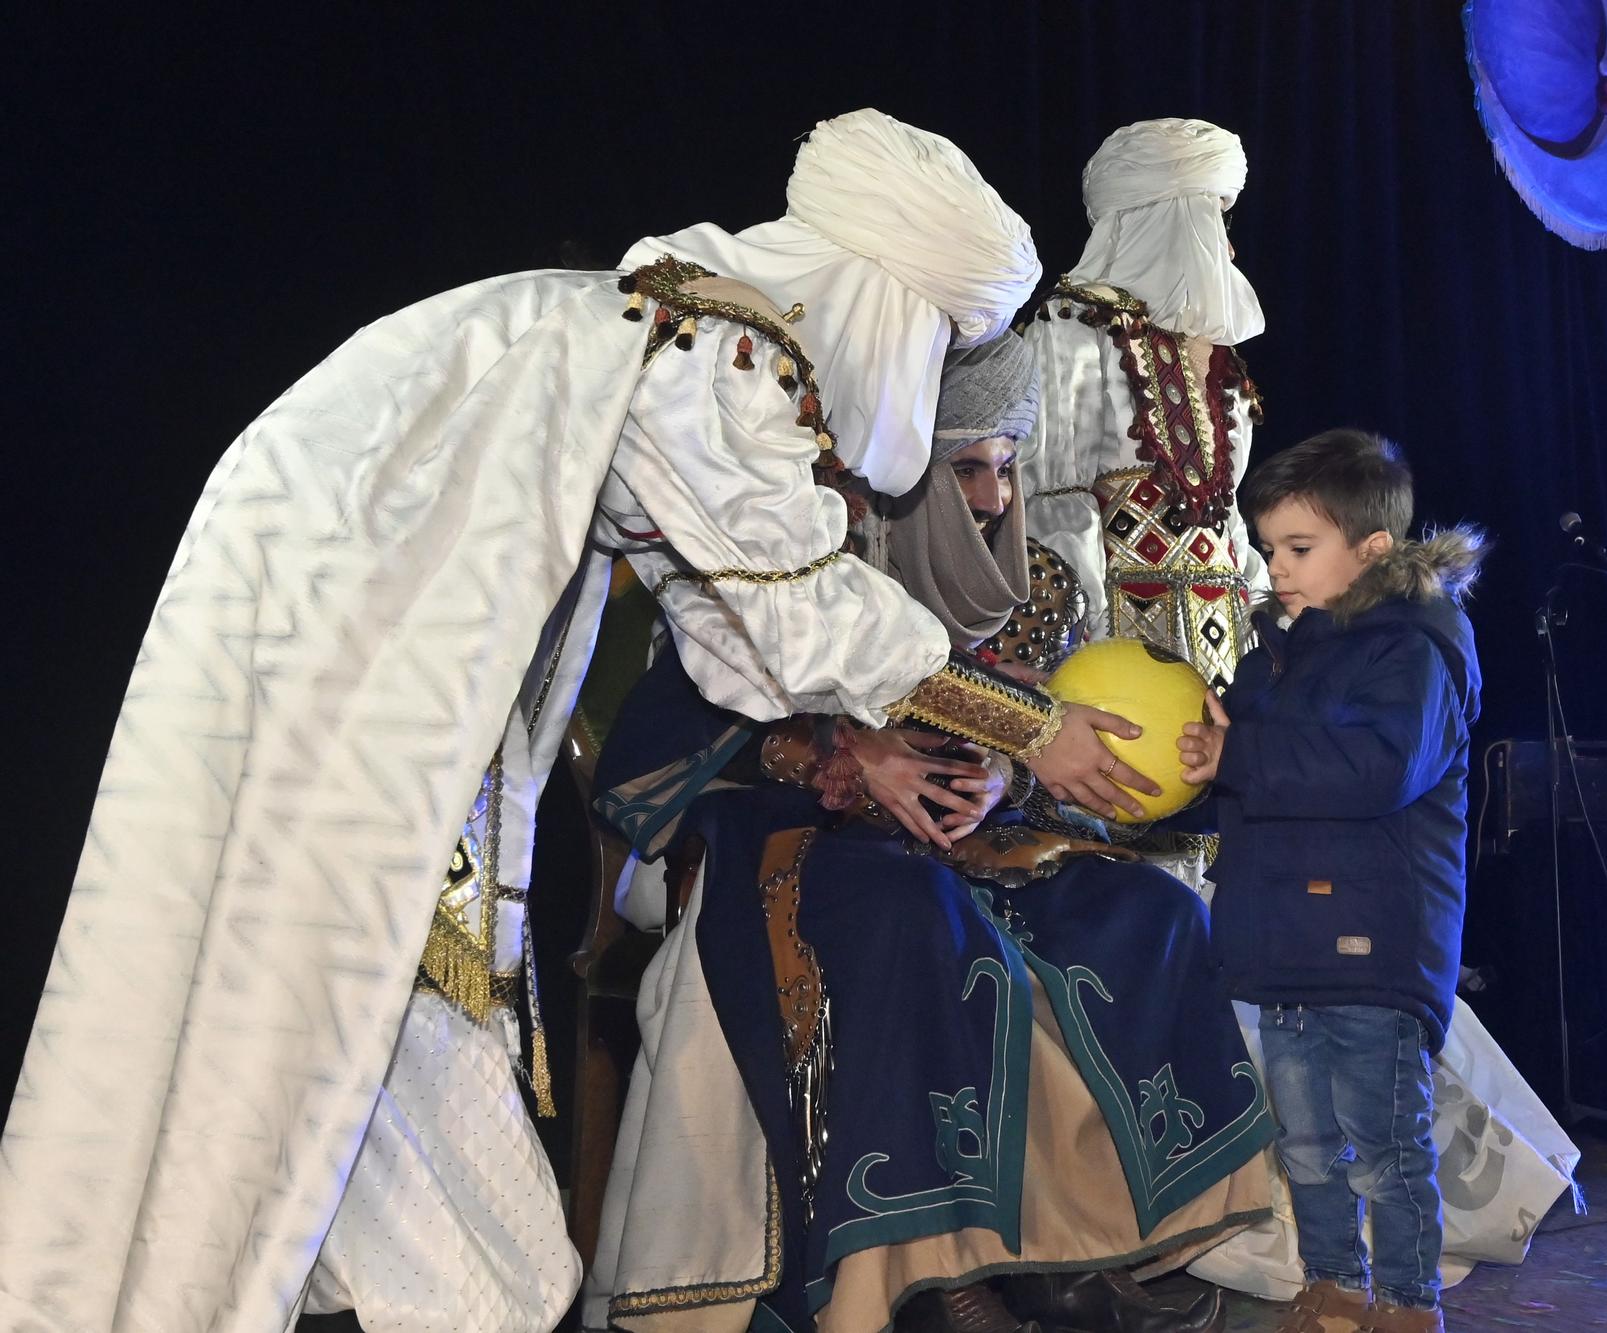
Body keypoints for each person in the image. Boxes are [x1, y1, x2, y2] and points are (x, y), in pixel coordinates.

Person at [0, 109, 1159, 1333]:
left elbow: (732, 631)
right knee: (317, 1004)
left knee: (357, 1045)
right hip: (346, 670)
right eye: (934, 337)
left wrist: (865, 729)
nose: (921, 381)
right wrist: (1033, 727)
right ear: (881, 301)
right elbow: (803, 610)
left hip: (347, 653)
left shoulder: (658, 324)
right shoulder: (715, 346)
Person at [585, 333, 1272, 1333]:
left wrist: (995, 771)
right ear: (907, 476)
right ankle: (934, 1275)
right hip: (790, 835)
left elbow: (1029, 748)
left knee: (1146, 908)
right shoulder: (797, 561)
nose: (993, 497)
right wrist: (840, 753)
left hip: (963, 845)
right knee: (921, 919)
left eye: (1005, 467)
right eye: (966, 468)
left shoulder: (1027, 591)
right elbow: (672, 733)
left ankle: (1085, 1250)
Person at [1179, 431, 1486, 1333]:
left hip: (1375, 945)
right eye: (1269, 547)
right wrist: (1188, 771)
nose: (1274, 567)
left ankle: (1404, 1305)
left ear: (1372, 549)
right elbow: (1246, 784)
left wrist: (1243, 750)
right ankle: (1333, 1289)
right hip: (1283, 944)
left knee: (1384, 1150)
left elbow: (1376, 768)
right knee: (1306, 1147)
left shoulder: (1419, 644)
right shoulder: (1280, 650)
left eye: (1297, 549)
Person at [1017, 117, 1268, 692]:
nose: (1227, 246)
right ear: (1170, 222)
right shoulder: (1073, 329)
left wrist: (1265, 622)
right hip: (1116, 650)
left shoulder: (1220, 359)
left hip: (1225, 652)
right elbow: (1052, 499)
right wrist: (1090, 653)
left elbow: (1225, 521)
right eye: (1213, 219)